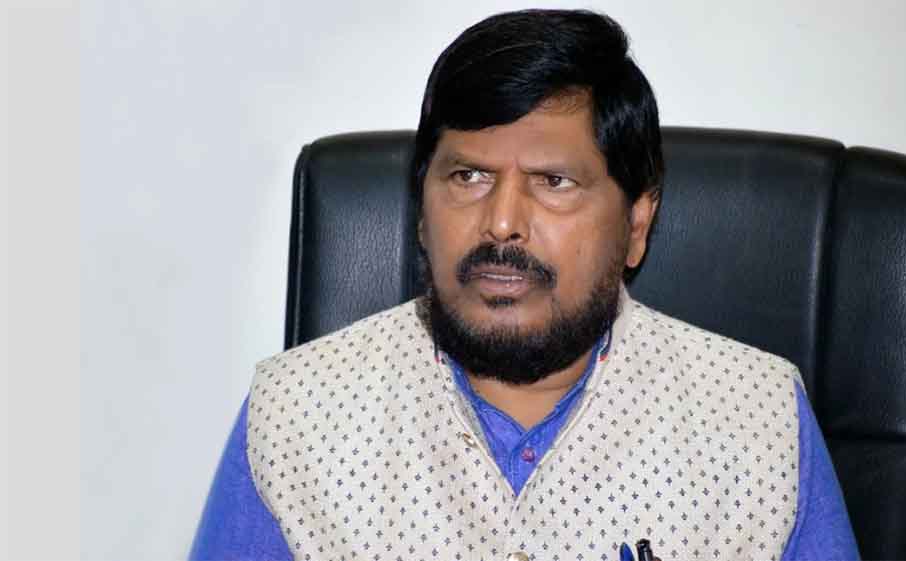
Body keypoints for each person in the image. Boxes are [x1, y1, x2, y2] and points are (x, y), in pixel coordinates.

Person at [190, 9, 860, 561]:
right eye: (468, 177)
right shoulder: (295, 418)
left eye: (553, 182)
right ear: (421, 210)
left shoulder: (757, 421)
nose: (502, 222)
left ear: (636, 223)